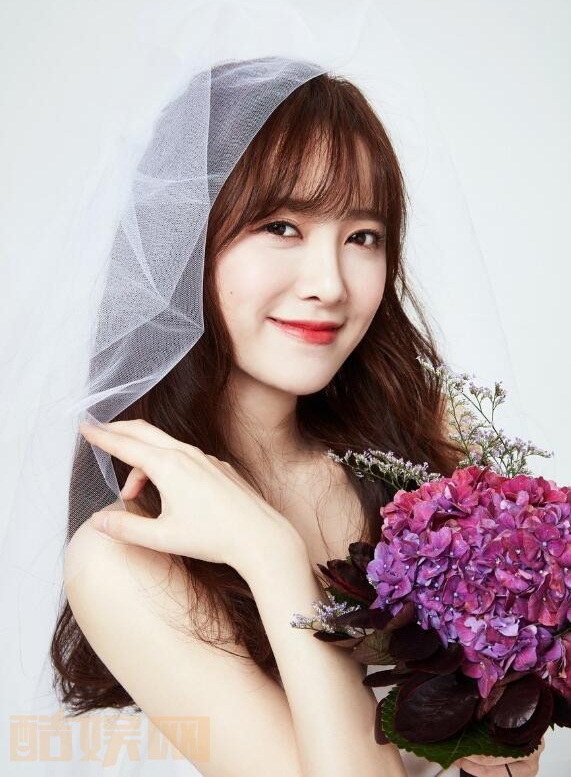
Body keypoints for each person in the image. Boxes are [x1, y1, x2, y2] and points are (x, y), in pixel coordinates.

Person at [57, 72, 544, 777]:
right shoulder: (125, 555)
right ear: (184, 240)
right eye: (282, 227)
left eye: (363, 236)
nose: (330, 284)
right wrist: (271, 556)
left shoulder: (431, 448)